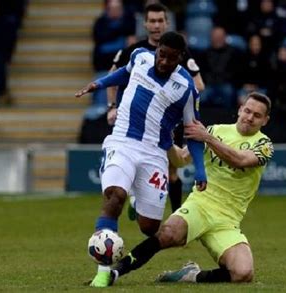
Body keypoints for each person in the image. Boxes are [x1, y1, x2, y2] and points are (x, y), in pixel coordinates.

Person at [98, 92, 274, 287]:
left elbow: (240, 159)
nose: (249, 117)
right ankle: (115, 272)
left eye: (257, 115)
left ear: (265, 120)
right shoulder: (216, 130)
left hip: (228, 220)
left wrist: (207, 138)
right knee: (168, 234)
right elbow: (181, 159)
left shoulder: (264, 144)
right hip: (200, 205)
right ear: (240, 109)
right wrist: (166, 142)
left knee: (243, 273)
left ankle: (190, 275)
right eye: (247, 111)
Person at [75, 31, 208, 287]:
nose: (163, 62)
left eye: (171, 58)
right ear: (156, 50)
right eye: (161, 55)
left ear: (180, 58)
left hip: (154, 154)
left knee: (149, 227)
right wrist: (100, 84)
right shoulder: (140, 56)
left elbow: (193, 131)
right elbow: (126, 72)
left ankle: (138, 200)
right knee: (114, 196)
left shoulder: (187, 89)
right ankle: (103, 273)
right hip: (122, 141)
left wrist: (200, 169)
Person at [108, 3, 205, 214]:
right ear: (145, 24)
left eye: (160, 20)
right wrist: (112, 106)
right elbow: (113, 76)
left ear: (167, 23)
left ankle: (176, 216)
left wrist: (170, 99)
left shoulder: (181, 52)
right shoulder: (134, 51)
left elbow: (199, 84)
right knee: (132, 163)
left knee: (171, 171)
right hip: (135, 121)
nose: (156, 25)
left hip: (166, 124)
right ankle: (138, 201)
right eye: (152, 21)